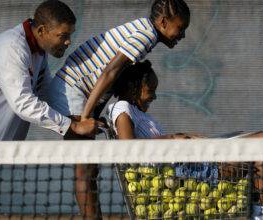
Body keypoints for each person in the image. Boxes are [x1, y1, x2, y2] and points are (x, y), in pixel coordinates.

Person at [45, 0, 191, 218]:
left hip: (81, 95)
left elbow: (111, 78)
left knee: (89, 170)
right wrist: (85, 116)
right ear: (162, 22)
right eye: (180, 28)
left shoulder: (144, 30)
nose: (183, 35)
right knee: (85, 171)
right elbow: (109, 73)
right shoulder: (146, 35)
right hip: (72, 92)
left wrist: (94, 113)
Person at [0, 1, 100, 219]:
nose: (68, 41)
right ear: (42, 31)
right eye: (63, 35)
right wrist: (72, 126)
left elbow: (45, 93)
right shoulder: (11, 47)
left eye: (69, 35)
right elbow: (23, 103)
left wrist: (75, 117)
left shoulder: (38, 52)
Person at [107, 60, 263, 220]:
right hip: (190, 172)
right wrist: (172, 139)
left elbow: (156, 141)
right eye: (150, 91)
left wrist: (184, 136)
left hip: (193, 164)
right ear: (133, 88)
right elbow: (128, 149)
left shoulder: (135, 112)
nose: (154, 96)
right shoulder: (122, 108)